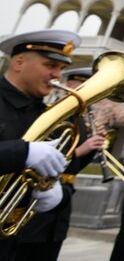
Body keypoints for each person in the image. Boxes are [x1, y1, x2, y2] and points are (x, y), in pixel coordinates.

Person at [0, 30, 81, 260]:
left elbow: (65, 173)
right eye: (50, 65)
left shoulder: (50, 117)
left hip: (14, 241)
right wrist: (22, 152)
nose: (57, 75)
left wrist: (58, 196)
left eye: (61, 69)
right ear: (19, 62)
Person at [14, 67, 106, 261]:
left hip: (61, 202)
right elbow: (39, 159)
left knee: (50, 250)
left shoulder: (81, 122)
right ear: (69, 86)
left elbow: (74, 166)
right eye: (83, 86)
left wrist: (93, 148)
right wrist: (83, 148)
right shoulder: (52, 115)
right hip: (36, 200)